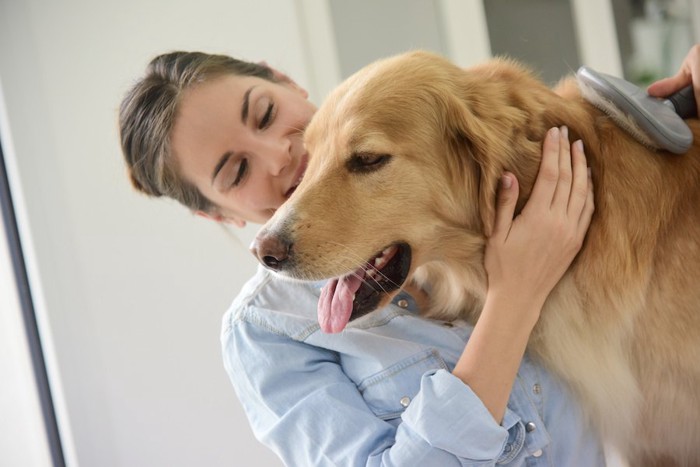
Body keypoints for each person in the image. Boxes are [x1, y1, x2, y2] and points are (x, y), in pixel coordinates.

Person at [118, 45, 698, 465]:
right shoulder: (267, 335)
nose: (279, 156)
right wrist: (514, 297)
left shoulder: (465, 212)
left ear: (287, 83)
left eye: (266, 113)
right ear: (216, 212)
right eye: (236, 169)